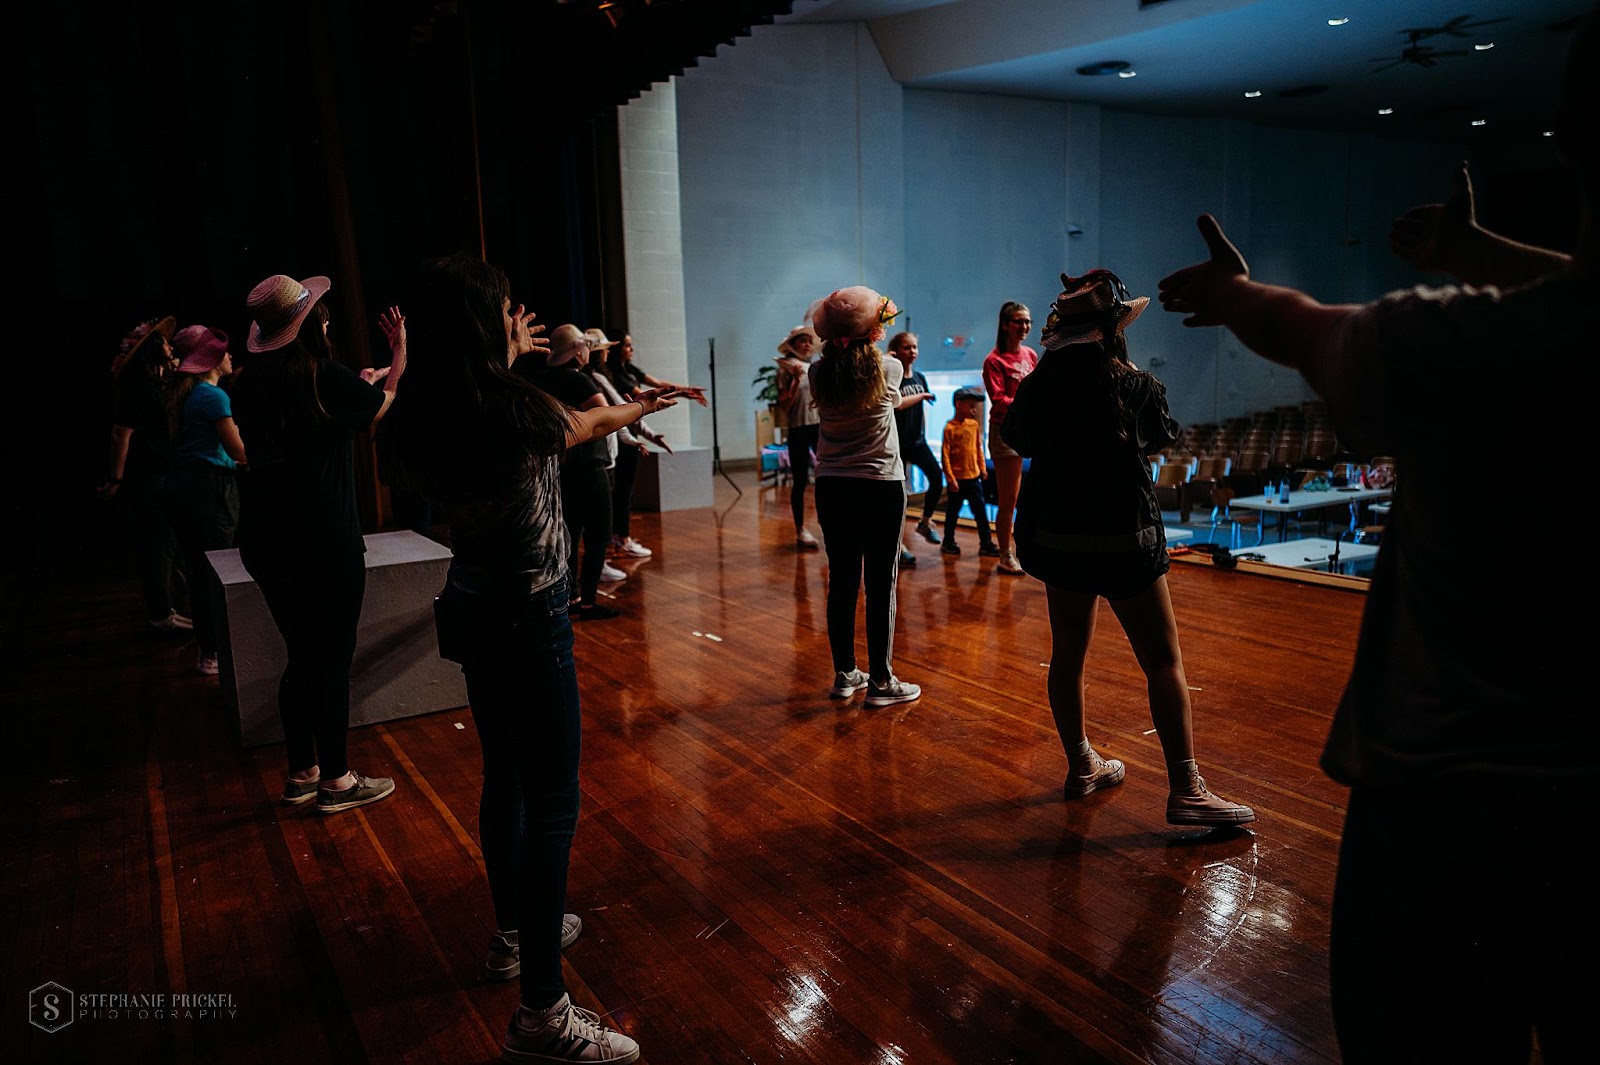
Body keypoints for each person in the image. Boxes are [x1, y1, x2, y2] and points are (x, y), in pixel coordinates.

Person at [1156, 10, 1597, 1054]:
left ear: (1571, 131)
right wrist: (1481, 248)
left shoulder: (1461, 347)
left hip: (1447, 817)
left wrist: (1232, 292)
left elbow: (1294, 320)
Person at [383, 253, 677, 1064]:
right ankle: (544, 1013)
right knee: (552, 804)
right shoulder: (513, 408)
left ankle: (514, 933)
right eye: (509, 311)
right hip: (529, 617)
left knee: (503, 778)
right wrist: (637, 403)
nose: (523, 319)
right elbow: (584, 425)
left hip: (473, 606)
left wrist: (508, 356)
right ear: (486, 324)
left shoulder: (425, 409)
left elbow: (529, 409)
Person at [1001, 270, 1255, 829]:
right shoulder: (1132, 383)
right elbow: (1162, 437)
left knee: (1068, 655)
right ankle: (1186, 787)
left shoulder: (1039, 382)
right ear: (1113, 327)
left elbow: (1016, 438)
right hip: (1125, 539)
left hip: (1059, 538)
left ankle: (1081, 764)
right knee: (1163, 660)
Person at [230, 273, 402, 814]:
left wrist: (362, 381)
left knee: (302, 656)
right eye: (320, 314)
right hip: (321, 538)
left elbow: (325, 411)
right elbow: (378, 407)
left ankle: (302, 772)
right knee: (329, 658)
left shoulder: (246, 382)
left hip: (263, 536)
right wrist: (400, 357)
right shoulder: (319, 375)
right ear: (311, 326)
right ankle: (338, 781)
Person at [806, 286, 920, 707]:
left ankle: (845, 673)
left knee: (841, 581)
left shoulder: (816, 373)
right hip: (880, 484)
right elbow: (891, 403)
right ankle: (882, 681)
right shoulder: (889, 367)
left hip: (832, 484)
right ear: (874, 329)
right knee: (880, 584)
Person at [517, 325, 625, 619]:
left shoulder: (541, 380)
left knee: (571, 532)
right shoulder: (579, 381)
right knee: (599, 533)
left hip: (562, 467)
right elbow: (605, 418)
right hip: (589, 465)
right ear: (579, 351)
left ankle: (572, 595)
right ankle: (588, 601)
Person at [163, 325, 245, 675]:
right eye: (223, 351)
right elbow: (238, 450)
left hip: (184, 487)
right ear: (211, 359)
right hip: (211, 489)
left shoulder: (185, 393)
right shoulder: (213, 397)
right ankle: (219, 652)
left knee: (200, 572)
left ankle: (209, 651)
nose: (230, 356)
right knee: (218, 570)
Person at [100, 315, 190, 632]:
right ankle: (160, 613)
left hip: (162, 473)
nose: (170, 344)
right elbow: (119, 435)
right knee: (158, 547)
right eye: (164, 342)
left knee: (168, 545)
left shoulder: (155, 383)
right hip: (149, 478)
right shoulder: (140, 389)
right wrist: (116, 479)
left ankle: (169, 607)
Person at [587, 327, 670, 560]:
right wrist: (635, 439)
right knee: (612, 502)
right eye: (603, 349)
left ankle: (614, 543)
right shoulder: (594, 378)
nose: (607, 352)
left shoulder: (605, 374)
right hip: (604, 452)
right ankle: (617, 543)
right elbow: (615, 412)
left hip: (610, 449)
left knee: (614, 500)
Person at [983, 300, 1038, 576]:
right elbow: (999, 400)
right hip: (1005, 432)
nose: (1025, 326)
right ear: (1005, 324)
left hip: (1030, 428)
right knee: (1009, 499)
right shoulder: (994, 360)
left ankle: (1031, 544)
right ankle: (1005, 553)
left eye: (1027, 321)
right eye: (1019, 321)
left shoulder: (1030, 355)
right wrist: (1028, 403)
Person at [888, 331, 941, 566]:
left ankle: (925, 522)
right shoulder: (894, 379)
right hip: (897, 444)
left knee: (937, 478)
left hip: (918, 442)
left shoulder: (919, 377)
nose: (912, 352)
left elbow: (921, 409)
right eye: (907, 347)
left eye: (914, 347)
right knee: (898, 497)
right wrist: (921, 396)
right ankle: (897, 544)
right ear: (897, 351)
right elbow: (896, 405)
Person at [774, 325, 823, 548]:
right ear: (792, 346)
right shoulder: (786, 370)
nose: (806, 345)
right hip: (798, 428)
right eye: (801, 341)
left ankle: (828, 524)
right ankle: (800, 529)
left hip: (819, 427)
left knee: (826, 478)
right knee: (800, 480)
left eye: (808, 341)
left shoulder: (815, 367)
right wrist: (795, 379)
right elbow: (784, 404)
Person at [939, 386, 999, 559]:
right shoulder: (949, 428)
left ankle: (986, 543)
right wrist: (950, 478)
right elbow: (945, 455)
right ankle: (948, 541)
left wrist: (982, 468)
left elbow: (978, 449)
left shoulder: (973, 425)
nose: (974, 410)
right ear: (959, 404)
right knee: (952, 513)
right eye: (971, 406)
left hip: (973, 478)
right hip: (958, 480)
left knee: (980, 512)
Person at [606, 331, 708, 407]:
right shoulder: (616, 373)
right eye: (627, 346)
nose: (632, 349)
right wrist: (680, 393)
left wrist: (688, 389)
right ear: (617, 348)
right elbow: (645, 397)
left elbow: (657, 382)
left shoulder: (628, 367)